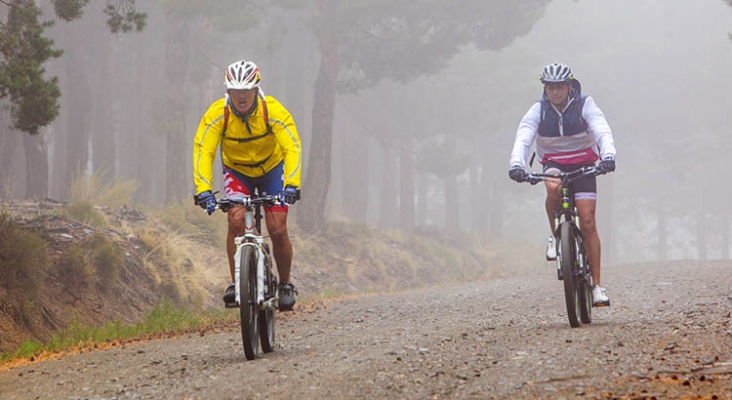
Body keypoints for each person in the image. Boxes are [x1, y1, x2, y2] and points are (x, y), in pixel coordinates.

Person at [192, 59, 303, 311]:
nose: (242, 96)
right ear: (227, 91)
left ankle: (285, 283)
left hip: (271, 171)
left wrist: (291, 185)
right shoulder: (217, 114)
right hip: (237, 172)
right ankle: (236, 282)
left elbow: (292, 147)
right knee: (236, 219)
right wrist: (203, 190)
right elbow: (203, 151)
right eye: (236, 90)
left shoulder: (273, 110)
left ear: (256, 89)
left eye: (247, 89)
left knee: (277, 228)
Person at [508, 62, 616, 307]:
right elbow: (523, 137)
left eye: (559, 87)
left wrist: (608, 155)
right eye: (549, 87)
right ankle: (556, 235)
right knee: (553, 188)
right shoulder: (538, 110)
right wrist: (517, 164)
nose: (555, 92)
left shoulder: (585, 104)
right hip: (554, 162)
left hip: (584, 164)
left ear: (569, 86)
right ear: (544, 89)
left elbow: (602, 130)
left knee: (587, 220)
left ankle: (597, 286)